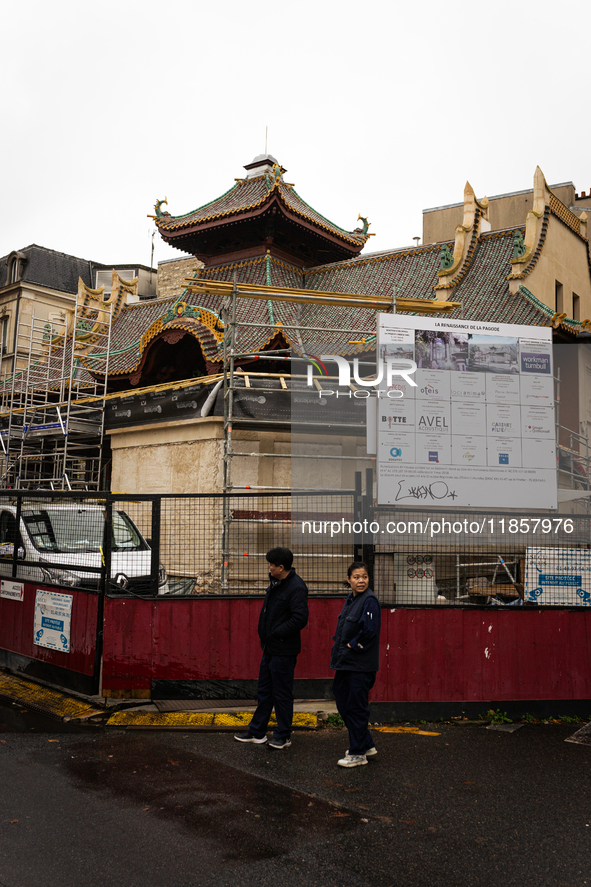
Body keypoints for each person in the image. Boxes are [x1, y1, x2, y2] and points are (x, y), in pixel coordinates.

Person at [234, 547, 309, 749]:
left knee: (282, 693)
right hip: (270, 649)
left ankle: (283, 735)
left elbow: (300, 619)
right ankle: (257, 731)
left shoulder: (296, 587)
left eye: (271, 564)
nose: (269, 567)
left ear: (281, 567)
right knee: (265, 691)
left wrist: (276, 632)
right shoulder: (277, 583)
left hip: (283, 650)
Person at [330, 561, 381, 768]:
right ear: (349, 579)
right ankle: (366, 743)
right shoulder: (352, 600)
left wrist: (352, 646)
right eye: (357, 577)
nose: (361, 581)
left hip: (359, 665)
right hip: (345, 663)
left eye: (365, 577)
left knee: (356, 707)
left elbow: (369, 632)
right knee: (343, 701)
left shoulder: (369, 600)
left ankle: (358, 753)